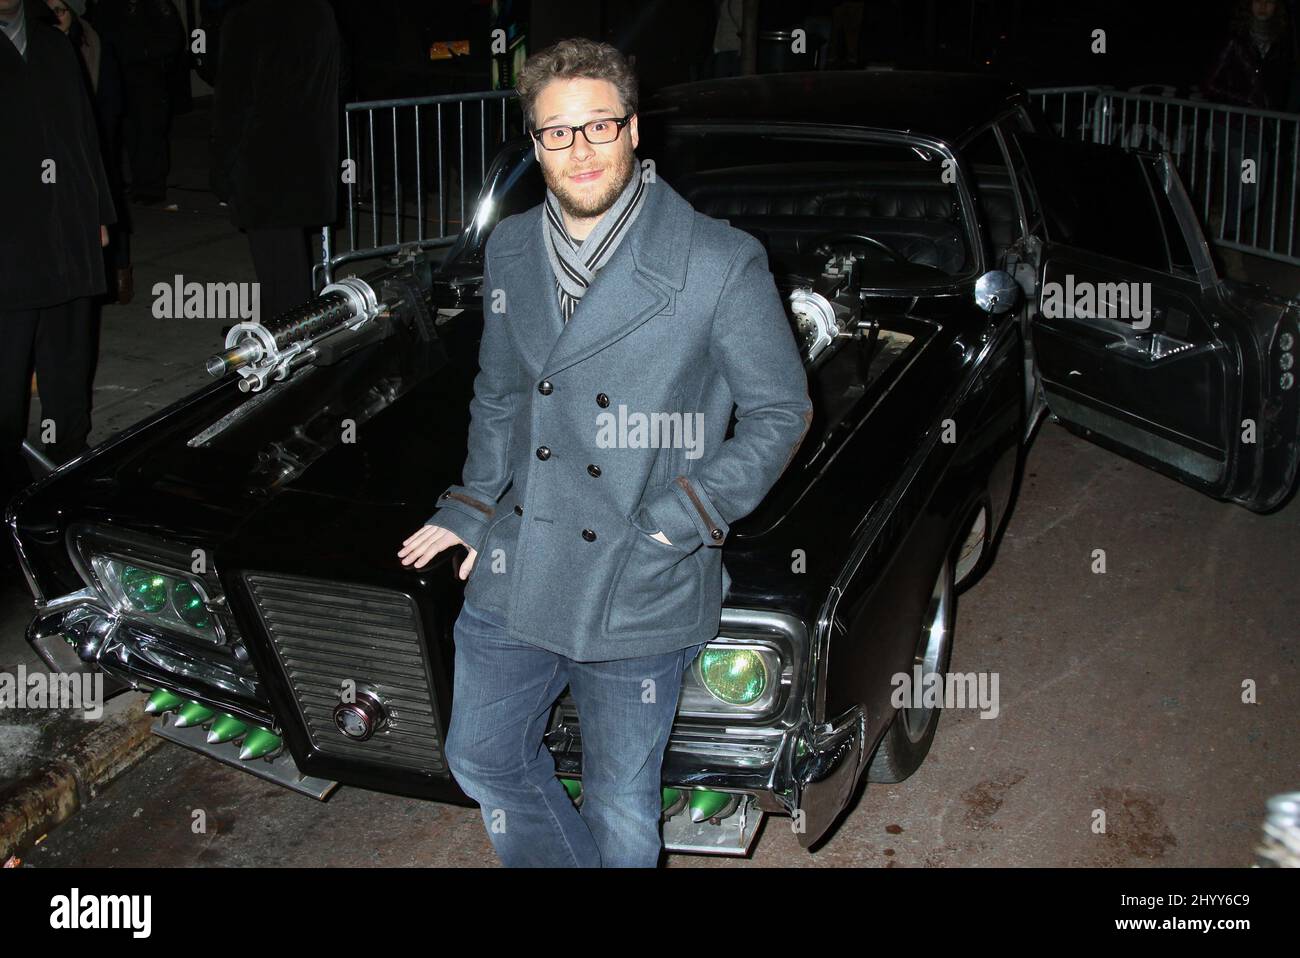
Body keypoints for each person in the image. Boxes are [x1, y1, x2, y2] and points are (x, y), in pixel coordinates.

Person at [397, 38, 813, 867]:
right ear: (535, 142)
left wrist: (675, 522)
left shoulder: (716, 261)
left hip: (639, 574)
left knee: (621, 802)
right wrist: (473, 502)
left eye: (599, 126)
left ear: (633, 128)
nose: (580, 149)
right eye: (557, 132)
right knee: (481, 756)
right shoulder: (513, 246)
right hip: (521, 554)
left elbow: (781, 412)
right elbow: (501, 392)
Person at [0, 0, 115, 522]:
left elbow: (85, 131)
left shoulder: (52, 43)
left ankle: (69, 457)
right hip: (10, 243)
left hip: (67, 229)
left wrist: (101, 212)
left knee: (69, 352)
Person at [210, 0, 339, 320]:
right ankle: (279, 325)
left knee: (278, 267)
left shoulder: (247, 17)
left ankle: (290, 334)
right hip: (309, 154)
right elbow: (341, 77)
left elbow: (232, 103)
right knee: (286, 259)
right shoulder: (319, 11)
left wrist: (222, 170)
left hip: (262, 165)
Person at [48, 0, 133, 304]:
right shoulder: (43, 44)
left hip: (92, 141)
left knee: (106, 203)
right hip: (58, 144)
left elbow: (109, 99)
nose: (56, 16)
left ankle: (119, 272)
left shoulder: (91, 40)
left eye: (60, 10)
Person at [1203, 0, 1295, 223]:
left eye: (1269, 1)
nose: (1263, 5)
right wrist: (1246, 101)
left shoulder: (1281, 44)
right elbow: (1210, 85)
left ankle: (1219, 225)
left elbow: (1283, 89)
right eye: (1257, 0)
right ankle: (1225, 231)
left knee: (1249, 189)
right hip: (1233, 126)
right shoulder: (1236, 39)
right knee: (1243, 186)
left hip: (1259, 130)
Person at [89, 0, 183, 208]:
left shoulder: (153, 4)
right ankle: (138, 182)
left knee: (150, 131)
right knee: (128, 132)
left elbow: (171, 38)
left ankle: (151, 186)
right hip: (118, 74)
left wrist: (144, 53)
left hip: (148, 75)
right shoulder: (108, 6)